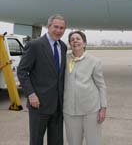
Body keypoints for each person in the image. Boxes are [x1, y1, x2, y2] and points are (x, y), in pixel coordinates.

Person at [17, 14, 67, 145]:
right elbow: (22, 71)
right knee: (36, 140)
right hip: (38, 104)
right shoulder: (35, 45)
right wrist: (31, 94)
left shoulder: (63, 46)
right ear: (48, 27)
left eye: (62, 28)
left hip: (58, 105)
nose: (59, 30)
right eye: (56, 27)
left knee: (57, 141)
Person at [63, 31, 107, 145]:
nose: (75, 41)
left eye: (78, 39)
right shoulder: (64, 59)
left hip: (91, 110)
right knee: (73, 142)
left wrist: (103, 108)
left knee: (93, 141)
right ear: (69, 44)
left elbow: (101, 85)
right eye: (72, 39)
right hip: (70, 110)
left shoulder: (94, 61)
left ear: (84, 43)